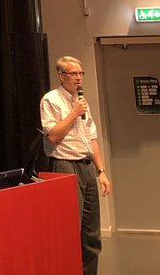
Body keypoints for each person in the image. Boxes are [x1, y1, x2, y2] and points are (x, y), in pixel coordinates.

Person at [40, 56, 112, 275]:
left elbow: (92, 138)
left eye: (81, 73)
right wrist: (73, 113)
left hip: (87, 166)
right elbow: (53, 136)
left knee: (91, 232)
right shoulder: (51, 100)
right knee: (70, 227)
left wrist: (101, 171)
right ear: (61, 76)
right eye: (73, 73)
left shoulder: (82, 101)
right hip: (65, 165)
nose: (79, 77)